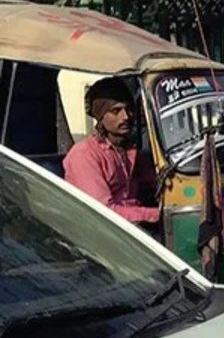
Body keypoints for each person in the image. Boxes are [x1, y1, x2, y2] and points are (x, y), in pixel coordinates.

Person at [63, 76, 159, 226]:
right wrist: (155, 214)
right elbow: (104, 212)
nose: (126, 117)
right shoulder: (84, 155)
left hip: (136, 224)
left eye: (128, 109)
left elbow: (156, 182)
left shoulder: (129, 149)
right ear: (101, 117)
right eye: (116, 111)